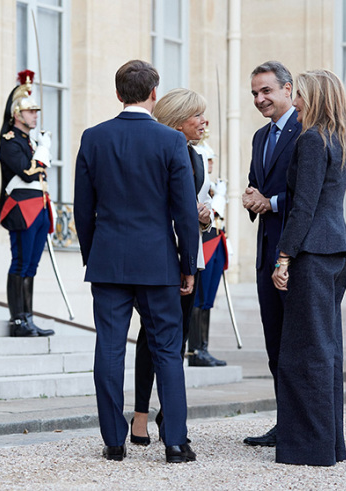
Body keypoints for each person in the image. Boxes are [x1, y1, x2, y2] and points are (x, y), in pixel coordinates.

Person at [74, 60, 199, 463]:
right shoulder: (170, 141)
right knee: (166, 350)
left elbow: (82, 210)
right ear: (153, 94)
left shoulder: (93, 138)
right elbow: (184, 211)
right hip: (158, 262)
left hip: (108, 261)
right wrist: (188, 263)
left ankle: (114, 441)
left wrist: (94, 255)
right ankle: (176, 443)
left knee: (109, 348)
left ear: (117, 94)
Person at [270, 69, 346, 466]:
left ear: (315, 97)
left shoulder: (310, 139)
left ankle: (309, 448)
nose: (296, 101)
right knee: (327, 350)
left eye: (300, 95)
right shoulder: (340, 139)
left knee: (304, 352)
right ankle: (329, 445)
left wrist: (284, 257)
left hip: (312, 254)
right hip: (336, 251)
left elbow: (303, 207)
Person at [129, 88, 212, 445]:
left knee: (174, 342)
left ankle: (167, 417)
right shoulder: (161, 150)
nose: (204, 121)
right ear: (178, 121)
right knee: (153, 340)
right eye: (197, 116)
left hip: (188, 257)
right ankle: (143, 415)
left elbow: (192, 208)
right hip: (163, 259)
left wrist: (204, 219)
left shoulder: (195, 156)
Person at [240, 60, 301, 447]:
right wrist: (249, 197)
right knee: (274, 343)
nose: (260, 99)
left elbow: (308, 195)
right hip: (267, 253)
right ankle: (283, 424)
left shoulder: (306, 131)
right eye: (254, 94)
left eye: (266, 91)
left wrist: (271, 202)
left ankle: (301, 426)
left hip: (296, 253)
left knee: (297, 343)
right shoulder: (260, 138)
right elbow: (254, 185)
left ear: (288, 89)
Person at [0, 70, 55, 337]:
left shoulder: (30, 143)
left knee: (31, 265)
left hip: (39, 207)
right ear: (17, 115)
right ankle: (17, 320)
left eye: (35, 111)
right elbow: (28, 172)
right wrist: (43, 151)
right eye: (30, 111)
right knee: (20, 263)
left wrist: (39, 148)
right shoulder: (9, 142)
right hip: (21, 209)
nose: (35, 115)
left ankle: (28, 317)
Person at [190, 135, 228, 367]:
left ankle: (203, 346)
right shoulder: (202, 186)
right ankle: (194, 349)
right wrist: (219, 199)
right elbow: (208, 213)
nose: (211, 164)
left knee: (207, 300)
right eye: (208, 159)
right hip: (203, 243)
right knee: (198, 298)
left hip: (216, 243)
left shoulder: (214, 185)